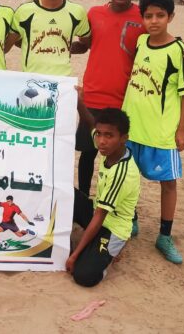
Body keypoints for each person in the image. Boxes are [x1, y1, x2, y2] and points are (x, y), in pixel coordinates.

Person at [121, 0, 184, 264]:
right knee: (130, 177)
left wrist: (181, 129)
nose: (154, 21)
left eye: (160, 15)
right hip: (133, 128)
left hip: (161, 132)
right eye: (149, 16)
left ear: (170, 17)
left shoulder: (179, 50)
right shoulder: (141, 42)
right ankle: (132, 219)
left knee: (168, 183)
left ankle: (165, 235)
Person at [71, 0, 146, 201]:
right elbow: (84, 45)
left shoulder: (144, 18)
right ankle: (84, 200)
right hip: (92, 97)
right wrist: (59, 45)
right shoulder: (94, 14)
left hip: (126, 100)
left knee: (122, 156)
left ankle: (120, 204)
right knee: (88, 153)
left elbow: (158, 47)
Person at [66, 104, 140, 287]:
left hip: (112, 227)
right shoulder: (109, 149)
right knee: (65, 192)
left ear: (124, 138)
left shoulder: (122, 173)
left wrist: (74, 256)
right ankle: (91, 246)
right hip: (97, 212)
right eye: (99, 134)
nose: (101, 141)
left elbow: (100, 216)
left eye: (109, 135)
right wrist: (79, 102)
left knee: (83, 276)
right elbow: (91, 123)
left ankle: (111, 252)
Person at [8, 0, 90, 75]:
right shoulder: (24, 11)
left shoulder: (77, 12)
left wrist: (63, 46)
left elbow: (86, 44)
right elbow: (11, 42)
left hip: (63, 82)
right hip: (31, 80)